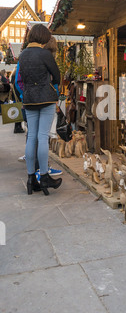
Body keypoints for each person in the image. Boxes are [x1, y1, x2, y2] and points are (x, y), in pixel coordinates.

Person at [18, 24, 62, 196]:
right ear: (43, 37)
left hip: (29, 99)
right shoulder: (45, 54)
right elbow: (57, 76)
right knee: (42, 137)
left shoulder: (22, 55)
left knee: (31, 137)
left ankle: (31, 179)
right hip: (46, 98)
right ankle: (44, 176)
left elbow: (22, 79)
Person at [10, 67, 25, 133]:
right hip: (18, 94)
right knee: (20, 110)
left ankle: (18, 126)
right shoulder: (18, 75)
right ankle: (18, 127)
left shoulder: (12, 76)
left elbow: (11, 85)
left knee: (17, 111)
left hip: (14, 95)